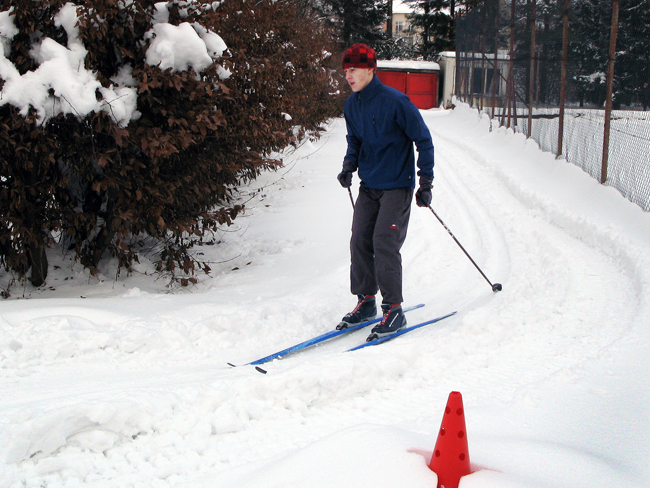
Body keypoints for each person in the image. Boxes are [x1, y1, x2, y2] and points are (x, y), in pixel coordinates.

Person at [336, 43, 435, 341]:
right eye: (345, 71)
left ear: (370, 69)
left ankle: (394, 309)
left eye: (353, 70)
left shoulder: (396, 102)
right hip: (370, 185)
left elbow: (424, 140)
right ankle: (366, 301)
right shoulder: (351, 105)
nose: (348, 76)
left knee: (384, 241)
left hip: (397, 185)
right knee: (360, 240)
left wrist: (425, 182)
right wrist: (348, 165)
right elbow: (354, 140)